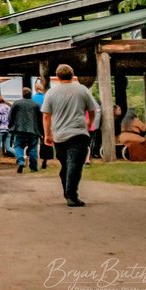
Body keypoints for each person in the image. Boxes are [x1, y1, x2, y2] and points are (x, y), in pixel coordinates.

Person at [42, 64, 98, 207]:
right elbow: (92, 110)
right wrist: (89, 123)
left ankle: (69, 193)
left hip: (59, 135)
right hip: (79, 132)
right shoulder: (82, 90)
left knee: (66, 164)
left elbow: (46, 116)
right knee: (74, 164)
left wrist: (47, 134)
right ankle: (71, 195)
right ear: (73, 75)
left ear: (57, 76)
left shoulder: (51, 93)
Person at [8, 86, 42, 173]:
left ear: (22, 94)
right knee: (33, 148)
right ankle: (33, 167)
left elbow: (11, 116)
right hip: (33, 130)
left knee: (18, 146)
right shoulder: (36, 105)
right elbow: (40, 118)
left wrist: (11, 126)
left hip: (19, 129)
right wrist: (41, 131)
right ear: (31, 94)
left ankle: (20, 160)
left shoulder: (17, 103)